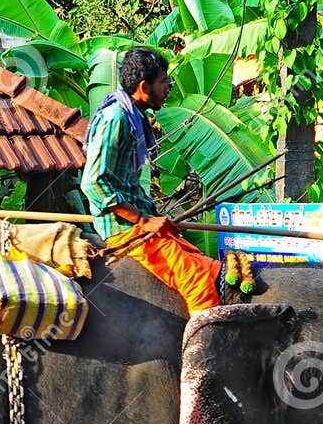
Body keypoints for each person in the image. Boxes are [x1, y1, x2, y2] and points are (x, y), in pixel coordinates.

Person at [80, 47, 225, 316]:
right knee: (197, 281)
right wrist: (145, 222)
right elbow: (93, 184)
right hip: (124, 229)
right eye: (163, 82)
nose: (168, 87)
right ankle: (204, 355)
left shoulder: (133, 116)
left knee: (209, 267)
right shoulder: (116, 119)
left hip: (137, 221)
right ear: (144, 86)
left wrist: (155, 217)